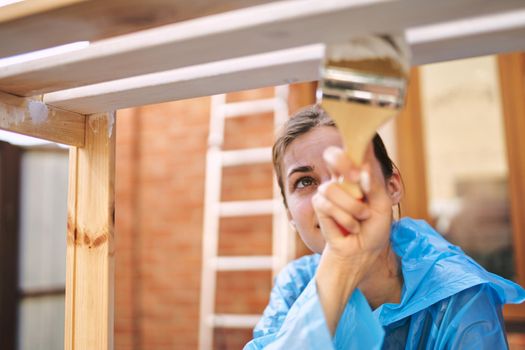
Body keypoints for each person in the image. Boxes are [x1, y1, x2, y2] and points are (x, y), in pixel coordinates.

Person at [243, 105, 525, 349]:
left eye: (348, 171)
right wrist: (341, 264)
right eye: (305, 181)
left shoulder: (460, 295)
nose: (331, 194)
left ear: (392, 186)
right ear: (290, 215)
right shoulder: (295, 284)